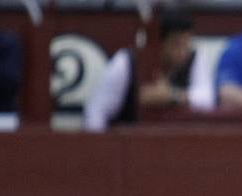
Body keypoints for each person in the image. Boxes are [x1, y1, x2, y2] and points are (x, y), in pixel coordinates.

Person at [83, 7, 212, 132]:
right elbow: (96, 112)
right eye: (176, 44)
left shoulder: (194, 58)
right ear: (158, 43)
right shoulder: (126, 62)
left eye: (187, 44)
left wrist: (171, 96)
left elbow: (207, 99)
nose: (183, 52)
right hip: (128, 142)